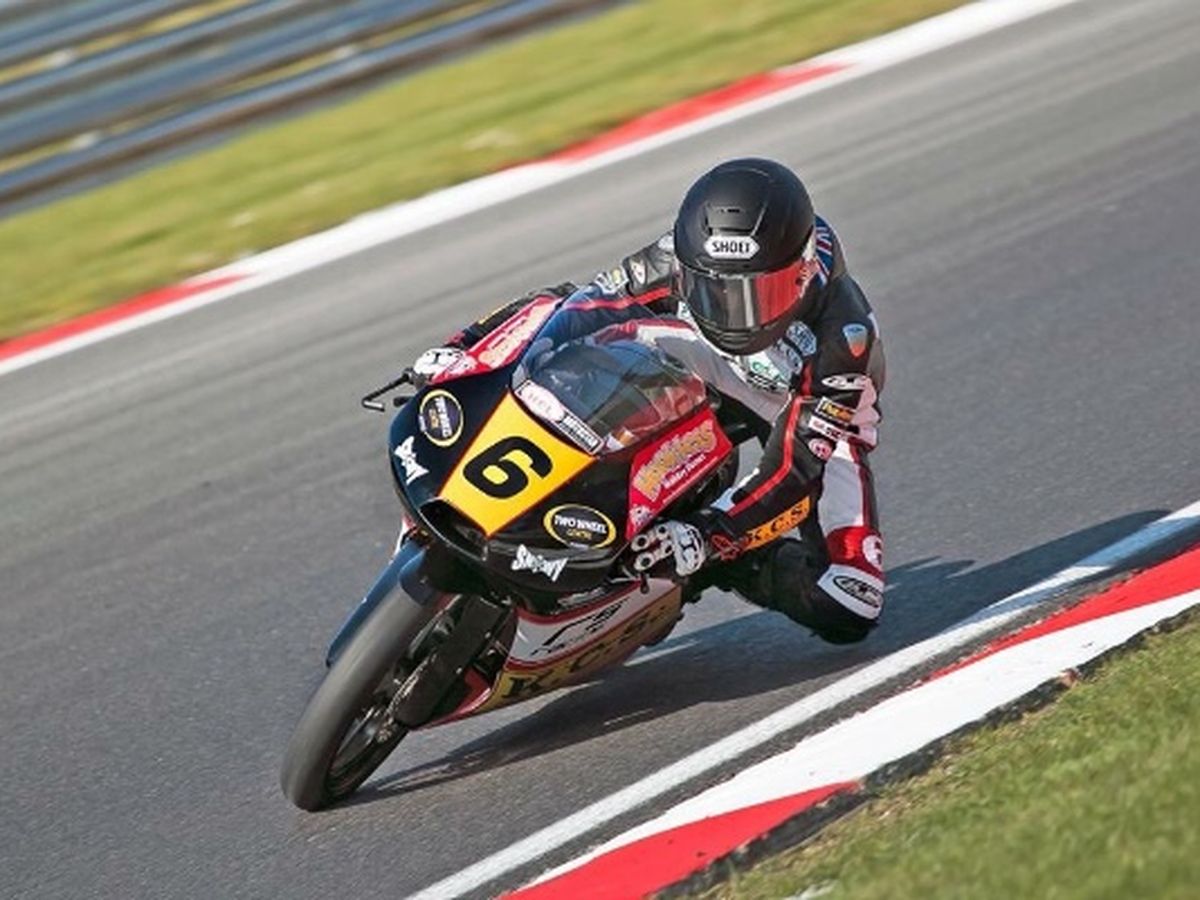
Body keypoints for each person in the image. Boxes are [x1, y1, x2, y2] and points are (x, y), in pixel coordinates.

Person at [414, 158, 885, 644]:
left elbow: (794, 468)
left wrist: (709, 534)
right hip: (699, 351)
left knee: (849, 599)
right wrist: (471, 348)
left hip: (804, 405)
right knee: (580, 325)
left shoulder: (843, 339)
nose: (735, 314)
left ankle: (704, 566)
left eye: (761, 295)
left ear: (803, 273)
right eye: (715, 290)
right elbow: (583, 303)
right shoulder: (676, 255)